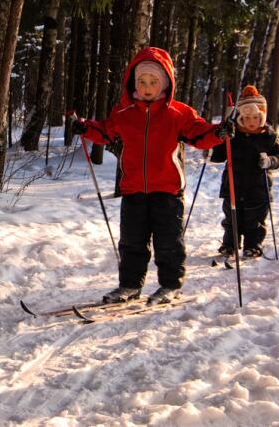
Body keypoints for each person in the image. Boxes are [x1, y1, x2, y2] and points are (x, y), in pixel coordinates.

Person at [72, 47, 232, 305]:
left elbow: (200, 135)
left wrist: (219, 132)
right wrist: (86, 128)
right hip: (134, 189)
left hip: (167, 190)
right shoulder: (124, 114)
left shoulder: (179, 114)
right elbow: (105, 132)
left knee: (169, 242)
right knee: (132, 242)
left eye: (153, 82)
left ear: (165, 83)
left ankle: (170, 285)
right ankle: (129, 285)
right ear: (133, 83)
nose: (147, 87)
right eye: (142, 82)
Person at [210, 85, 279, 260]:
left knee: (255, 221)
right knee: (232, 220)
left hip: (258, 189)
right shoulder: (233, 135)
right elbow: (219, 156)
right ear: (240, 118)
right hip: (233, 186)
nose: (252, 121)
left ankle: (253, 246)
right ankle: (230, 245)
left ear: (263, 117)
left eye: (256, 117)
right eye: (247, 117)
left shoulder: (269, 136)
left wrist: (270, 161)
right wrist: (219, 140)